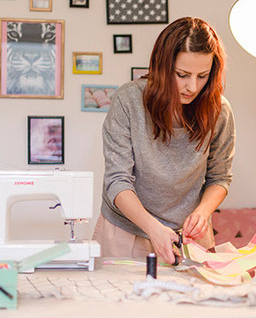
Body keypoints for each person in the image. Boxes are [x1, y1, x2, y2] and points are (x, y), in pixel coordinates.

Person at [93, 17, 236, 264]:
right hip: (126, 231)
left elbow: (220, 178)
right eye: (182, 75)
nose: (192, 87)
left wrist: (202, 213)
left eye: (202, 76)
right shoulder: (128, 101)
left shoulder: (219, 111)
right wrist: (153, 228)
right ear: (162, 67)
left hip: (190, 237)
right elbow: (117, 181)